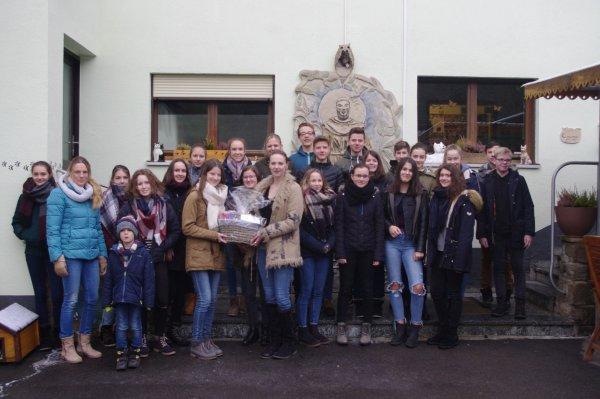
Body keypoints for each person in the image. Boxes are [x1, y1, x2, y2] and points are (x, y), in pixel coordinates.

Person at [46, 156, 106, 363]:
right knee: (70, 300)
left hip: (90, 254)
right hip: (70, 255)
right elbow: (52, 230)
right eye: (77, 172)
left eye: (85, 172)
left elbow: (97, 229)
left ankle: (85, 343)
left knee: (91, 298)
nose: (81, 176)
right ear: (69, 173)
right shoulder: (58, 194)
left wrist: (102, 254)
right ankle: (67, 346)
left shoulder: (93, 194)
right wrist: (57, 257)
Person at [119, 169, 181, 356]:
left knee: (162, 298)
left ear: (153, 183)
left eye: (146, 183)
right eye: (139, 184)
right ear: (135, 187)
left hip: (159, 259)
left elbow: (175, 231)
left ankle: (160, 337)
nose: (143, 186)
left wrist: (161, 248)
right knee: (142, 300)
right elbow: (121, 230)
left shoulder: (164, 205)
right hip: (136, 260)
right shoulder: (129, 206)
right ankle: (143, 338)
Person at [252, 150, 303, 360]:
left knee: (282, 297)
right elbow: (254, 215)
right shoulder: (262, 187)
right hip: (263, 249)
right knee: (270, 297)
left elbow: (293, 221)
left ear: (286, 165)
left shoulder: (293, 188)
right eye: (273, 163)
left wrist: (265, 232)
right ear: (268, 165)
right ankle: (274, 341)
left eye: (280, 163)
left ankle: (289, 342)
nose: (276, 167)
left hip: (283, 249)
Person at [427, 164, 482, 349]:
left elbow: (466, 234)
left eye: (447, 175)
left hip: (454, 256)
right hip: (438, 254)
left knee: (452, 295)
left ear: (455, 178)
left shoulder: (463, 200)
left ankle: (451, 333)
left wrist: (459, 262)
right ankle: (442, 329)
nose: (443, 178)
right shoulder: (436, 197)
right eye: (441, 175)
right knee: (436, 292)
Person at [478, 147, 535, 319]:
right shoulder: (486, 181)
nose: (504, 163)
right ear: (494, 160)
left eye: (507, 160)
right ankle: (501, 304)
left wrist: (528, 232)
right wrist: (482, 234)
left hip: (516, 233)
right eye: (501, 160)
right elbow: (481, 210)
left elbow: (528, 207)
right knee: (498, 270)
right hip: (496, 235)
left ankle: (520, 306)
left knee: (518, 269)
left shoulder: (518, 180)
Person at [12, 161, 62, 350]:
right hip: (33, 251)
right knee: (40, 292)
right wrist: (28, 236)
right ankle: (44, 334)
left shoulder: (57, 195)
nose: (40, 177)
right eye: (36, 174)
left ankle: (58, 333)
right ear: (32, 175)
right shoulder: (25, 197)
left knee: (58, 294)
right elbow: (16, 222)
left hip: (54, 250)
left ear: (50, 175)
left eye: (43, 174)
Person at [182, 159, 228, 360]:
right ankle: (196, 342)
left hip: (216, 254)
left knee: (213, 300)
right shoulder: (194, 196)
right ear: (204, 175)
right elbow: (187, 227)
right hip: (199, 253)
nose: (216, 178)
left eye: (218, 175)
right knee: (205, 299)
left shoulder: (219, 198)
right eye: (212, 174)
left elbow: (220, 225)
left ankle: (207, 339)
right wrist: (214, 235)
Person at [335, 163, 384, 346]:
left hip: (369, 249)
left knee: (367, 287)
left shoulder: (375, 196)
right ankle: (341, 325)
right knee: (346, 287)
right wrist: (340, 251)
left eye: (365, 176)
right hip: (348, 249)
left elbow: (379, 226)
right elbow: (339, 225)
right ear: (352, 176)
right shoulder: (343, 196)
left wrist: (378, 254)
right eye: (358, 176)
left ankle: (367, 326)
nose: (361, 179)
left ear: (369, 177)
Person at [384, 158, 429, 348]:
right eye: (404, 169)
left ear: (414, 173)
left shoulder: (421, 194)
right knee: (395, 286)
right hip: (393, 244)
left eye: (410, 170)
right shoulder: (389, 192)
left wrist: (420, 249)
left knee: (417, 286)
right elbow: (382, 217)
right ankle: (400, 325)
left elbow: (424, 223)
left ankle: (415, 327)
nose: (407, 172)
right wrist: (389, 226)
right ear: (399, 171)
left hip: (412, 244)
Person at [103, 216, 155, 370]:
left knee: (135, 325)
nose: (126, 233)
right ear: (119, 234)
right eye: (123, 231)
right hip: (119, 298)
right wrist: (106, 301)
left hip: (136, 298)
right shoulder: (113, 254)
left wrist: (149, 301)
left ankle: (135, 352)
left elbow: (149, 279)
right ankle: (121, 353)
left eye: (129, 230)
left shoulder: (143, 253)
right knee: (121, 326)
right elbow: (108, 280)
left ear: (135, 233)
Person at [297, 168, 336, 347]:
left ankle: (314, 326)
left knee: (319, 290)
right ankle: (303, 328)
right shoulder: (301, 200)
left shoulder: (330, 199)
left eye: (319, 180)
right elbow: (300, 231)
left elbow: (335, 227)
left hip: (324, 252)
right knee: (307, 289)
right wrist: (319, 246)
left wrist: (328, 245)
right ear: (307, 181)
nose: (317, 184)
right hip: (308, 252)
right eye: (313, 180)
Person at [232, 165, 268, 346]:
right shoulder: (236, 197)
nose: (248, 180)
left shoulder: (265, 195)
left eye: (252, 177)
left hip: (262, 250)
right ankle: (253, 328)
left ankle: (265, 328)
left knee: (264, 292)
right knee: (248, 293)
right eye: (245, 177)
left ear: (258, 178)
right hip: (243, 252)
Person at [476, 142, 514, 308]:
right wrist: (482, 231)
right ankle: (486, 290)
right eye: (490, 152)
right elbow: (481, 205)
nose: (493, 155)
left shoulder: (512, 174)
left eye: (496, 153)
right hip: (489, 226)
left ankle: (507, 290)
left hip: (506, 227)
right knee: (487, 259)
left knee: (506, 261)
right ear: (486, 154)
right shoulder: (481, 174)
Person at [309, 136, 343, 317]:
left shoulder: (336, 171)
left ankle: (327, 299)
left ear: (329, 149)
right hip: (311, 224)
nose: (322, 150)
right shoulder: (306, 171)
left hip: (328, 224)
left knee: (327, 267)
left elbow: (336, 197)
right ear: (313, 149)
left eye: (324, 147)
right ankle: (311, 300)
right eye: (318, 147)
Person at [99, 164, 130, 347]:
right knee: (109, 290)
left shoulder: (132, 198)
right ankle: (106, 327)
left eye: (125, 177)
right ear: (112, 180)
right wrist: (113, 248)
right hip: (111, 251)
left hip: (129, 250)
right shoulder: (105, 197)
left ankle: (122, 326)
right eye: (118, 178)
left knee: (125, 289)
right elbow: (101, 226)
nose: (122, 181)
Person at [162, 159, 192, 345]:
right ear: (171, 172)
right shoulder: (164, 193)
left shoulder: (191, 192)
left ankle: (175, 328)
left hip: (187, 247)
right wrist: (167, 246)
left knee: (182, 290)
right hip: (170, 248)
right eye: (177, 170)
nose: (180, 173)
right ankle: (164, 330)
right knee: (169, 291)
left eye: (183, 171)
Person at [222, 138, 253, 317]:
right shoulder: (222, 168)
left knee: (246, 263)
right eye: (234, 149)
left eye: (240, 149)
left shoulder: (251, 168)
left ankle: (245, 298)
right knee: (231, 263)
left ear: (245, 150)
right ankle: (233, 300)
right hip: (228, 221)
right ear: (229, 150)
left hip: (248, 223)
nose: (237, 152)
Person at [361, 150, 387, 317]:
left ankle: (377, 304)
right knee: (362, 272)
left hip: (380, 229)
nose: (371, 163)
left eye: (374, 160)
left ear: (378, 163)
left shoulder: (386, 181)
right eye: (368, 160)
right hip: (362, 232)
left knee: (377, 269)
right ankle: (361, 305)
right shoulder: (359, 180)